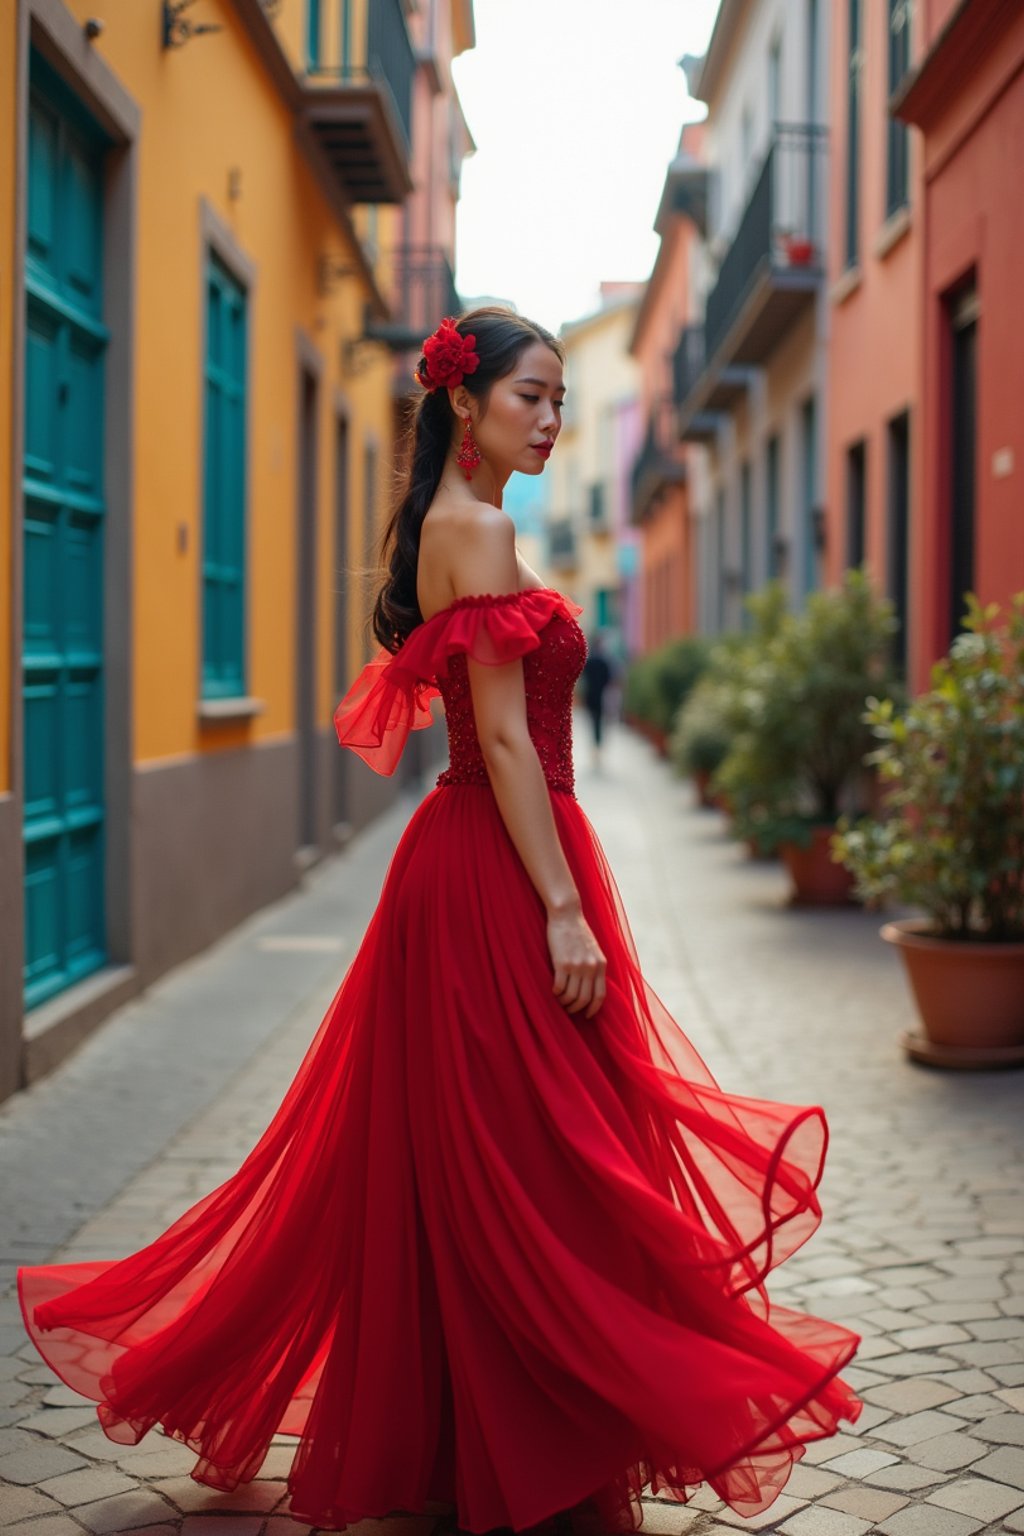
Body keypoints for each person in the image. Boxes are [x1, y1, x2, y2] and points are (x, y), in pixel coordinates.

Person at [18, 308, 862, 1536]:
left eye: (564, 398)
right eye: (532, 395)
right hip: (499, 869)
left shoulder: (450, 524)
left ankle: (497, 1430)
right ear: (465, 406)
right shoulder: (477, 529)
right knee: (541, 1157)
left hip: (483, 855)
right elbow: (509, 736)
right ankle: (530, 1432)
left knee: (503, 1153)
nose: (554, 418)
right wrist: (562, 909)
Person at [580, 631, 616, 766]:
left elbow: (583, 678)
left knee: (593, 722)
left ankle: (595, 747)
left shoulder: (589, 661)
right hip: (601, 696)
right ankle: (598, 746)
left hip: (590, 695)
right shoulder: (604, 661)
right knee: (599, 722)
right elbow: (610, 680)